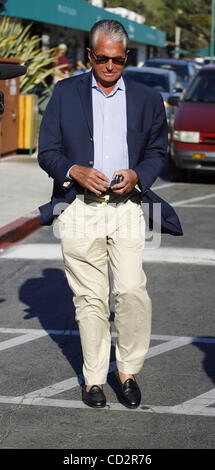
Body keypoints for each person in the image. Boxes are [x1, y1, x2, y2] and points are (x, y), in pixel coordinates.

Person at [38, 19, 169, 409]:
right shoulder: (65, 93)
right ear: (90, 55)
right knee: (90, 298)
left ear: (125, 56)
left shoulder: (147, 98)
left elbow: (157, 152)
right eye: (101, 59)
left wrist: (137, 175)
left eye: (117, 59)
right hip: (80, 208)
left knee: (130, 290)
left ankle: (126, 370)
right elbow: (47, 151)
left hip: (127, 207)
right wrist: (73, 170)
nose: (109, 67)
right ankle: (94, 379)